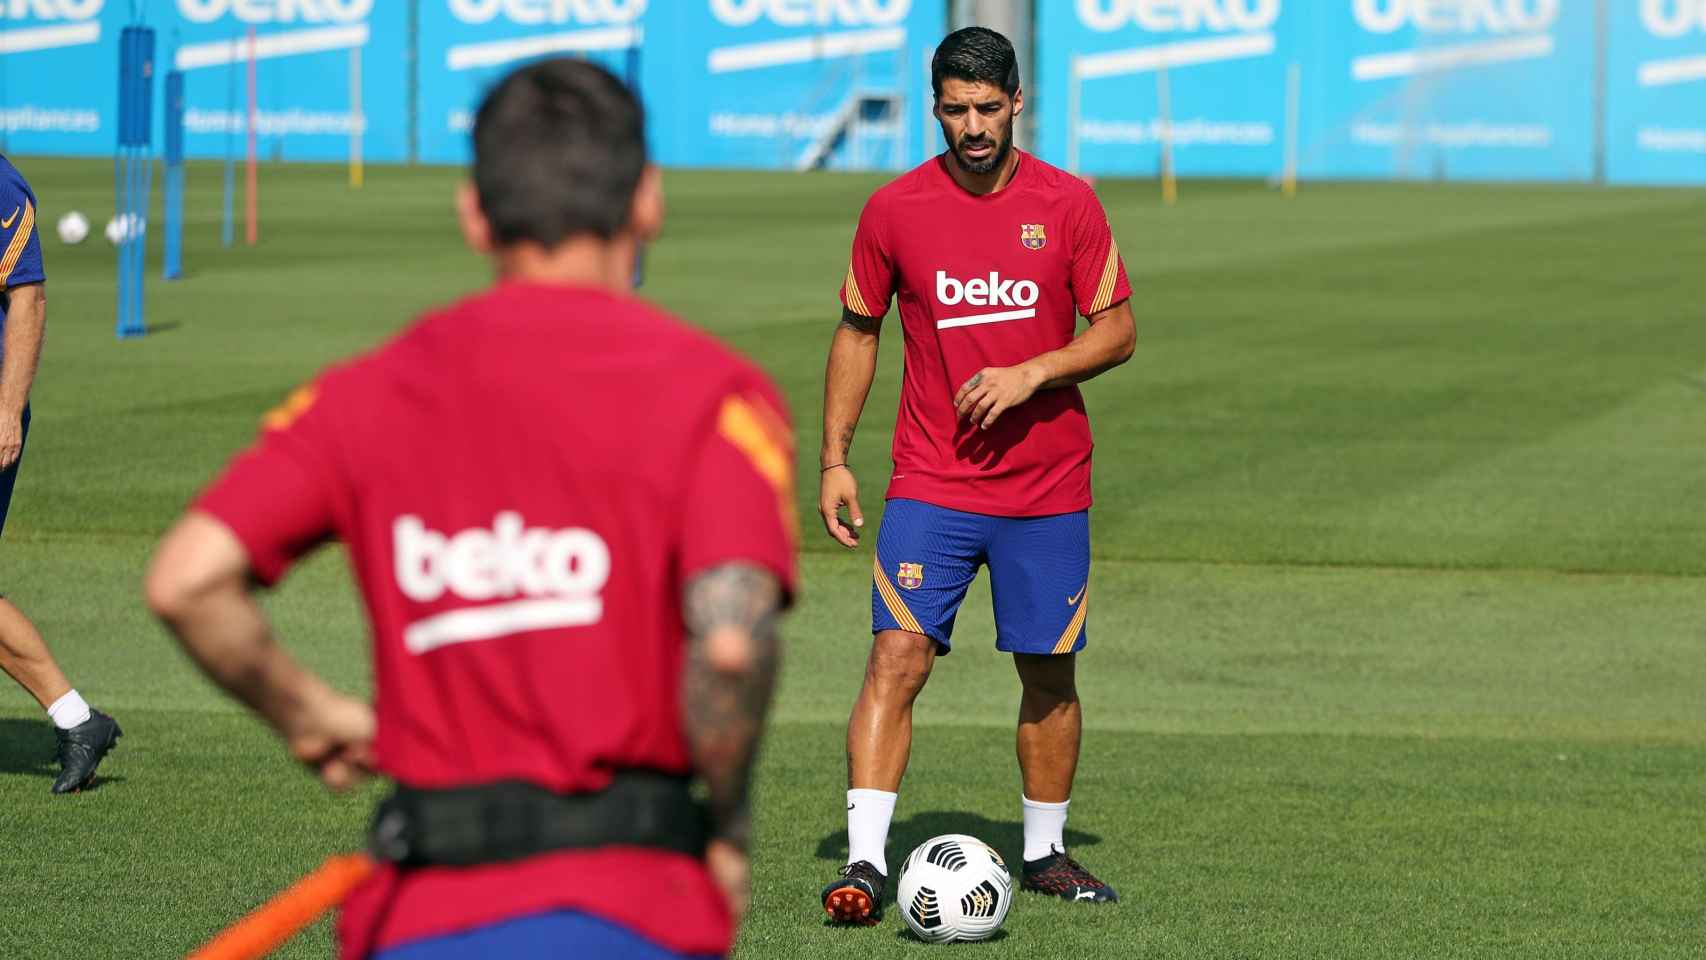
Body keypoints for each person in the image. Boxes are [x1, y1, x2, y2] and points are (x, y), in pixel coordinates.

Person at [145, 59, 796, 959]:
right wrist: (726, 828)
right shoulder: (715, 395)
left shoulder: (368, 392)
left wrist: (308, 714)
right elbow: (731, 646)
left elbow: (185, 580)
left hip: (422, 915)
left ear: (475, 214)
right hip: (634, 907)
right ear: (647, 200)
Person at [816, 27, 1135, 923]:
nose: (973, 126)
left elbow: (1117, 328)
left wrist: (1035, 371)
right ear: (935, 107)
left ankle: (1044, 854)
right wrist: (836, 457)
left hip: (1046, 489)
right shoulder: (893, 209)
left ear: (1018, 103)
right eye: (955, 109)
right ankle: (866, 865)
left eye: (988, 109)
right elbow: (858, 328)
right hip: (932, 483)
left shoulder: (1068, 204)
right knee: (897, 655)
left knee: (1048, 669)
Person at [0, 155, 121, 795]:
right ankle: (80, 721)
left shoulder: (0, 183)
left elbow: (29, 297)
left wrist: (8, 410)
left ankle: (77, 720)